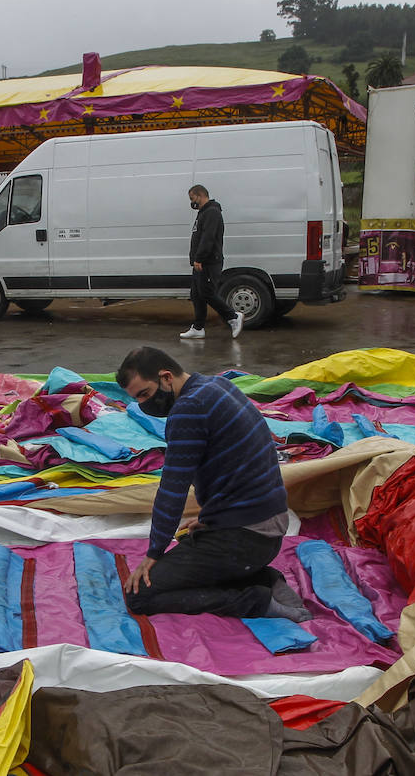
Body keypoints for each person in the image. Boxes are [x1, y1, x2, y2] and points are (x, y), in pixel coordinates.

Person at [116, 347, 309, 620]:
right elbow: (238, 464)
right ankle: (264, 578)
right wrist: (211, 519)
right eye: (137, 399)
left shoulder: (188, 410)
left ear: (166, 377)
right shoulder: (216, 385)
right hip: (269, 524)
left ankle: (257, 600)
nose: (145, 405)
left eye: (145, 394)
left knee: (141, 595)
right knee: (192, 541)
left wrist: (154, 552)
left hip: (247, 539)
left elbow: (173, 489)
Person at [181, 185, 244, 340]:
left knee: (207, 293)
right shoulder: (203, 213)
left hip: (208, 262)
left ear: (200, 195)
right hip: (200, 262)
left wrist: (199, 258)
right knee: (196, 295)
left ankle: (233, 317)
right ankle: (198, 328)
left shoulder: (212, 213)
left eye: (192, 198)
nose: (192, 202)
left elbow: (208, 238)